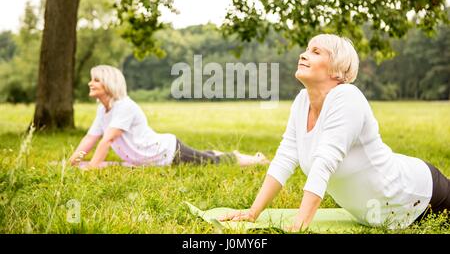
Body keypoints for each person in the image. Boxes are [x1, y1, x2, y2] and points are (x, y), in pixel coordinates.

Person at [219, 34, 450, 231]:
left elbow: (325, 162)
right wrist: (252, 212)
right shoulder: (302, 101)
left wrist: (300, 223)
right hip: (375, 215)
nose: (303, 54)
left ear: (337, 69)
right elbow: (285, 157)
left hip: (418, 192)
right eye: (307, 49)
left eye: (316, 51)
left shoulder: (347, 97)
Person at [68, 65, 269, 169]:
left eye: (96, 80)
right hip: (156, 154)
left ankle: (255, 161)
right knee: (206, 155)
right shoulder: (103, 110)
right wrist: (73, 162)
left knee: (212, 162)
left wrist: (92, 168)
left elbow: (107, 140)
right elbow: (90, 139)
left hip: (167, 151)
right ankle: (228, 154)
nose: (90, 83)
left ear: (109, 83)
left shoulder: (124, 106)